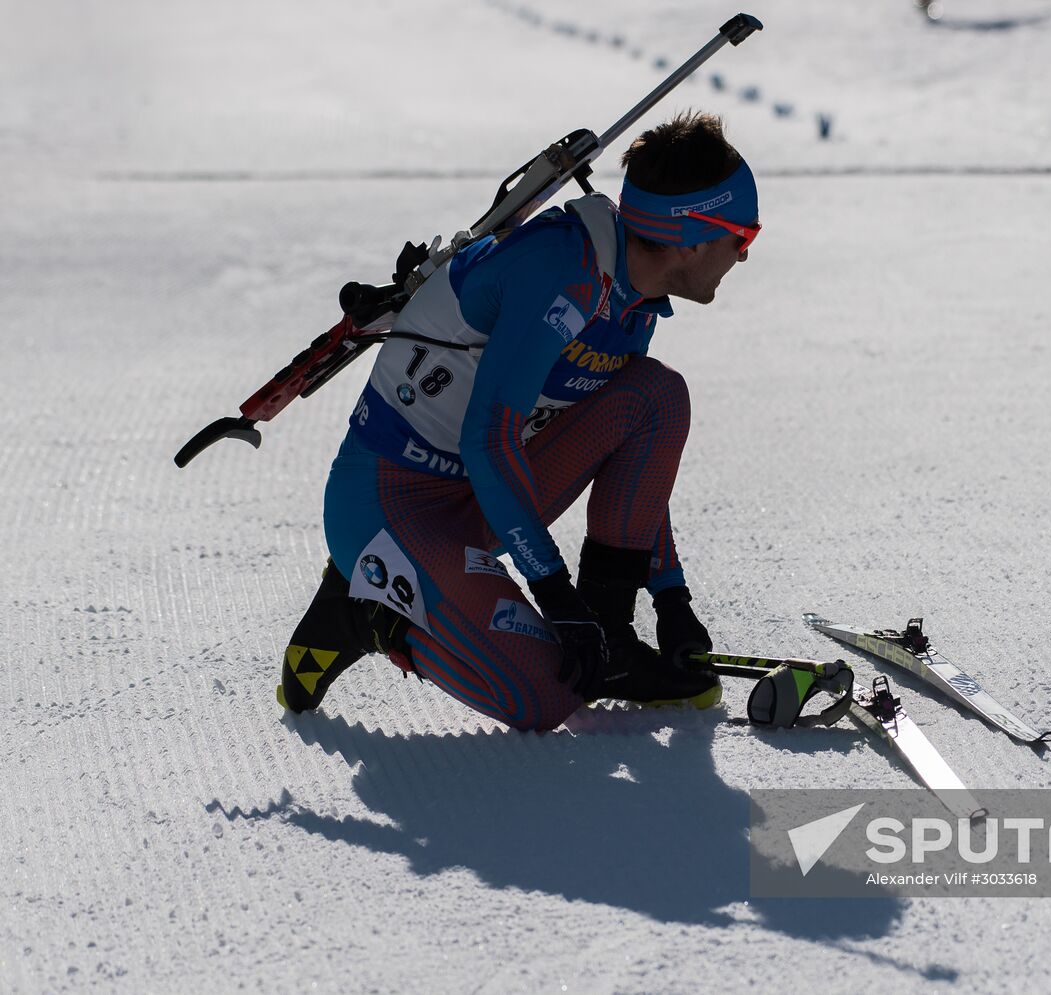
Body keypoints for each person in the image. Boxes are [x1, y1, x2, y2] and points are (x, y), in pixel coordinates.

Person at [277, 111, 760, 731]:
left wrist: (670, 598)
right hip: (392, 503)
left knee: (656, 397)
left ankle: (610, 635)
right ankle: (366, 611)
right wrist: (555, 594)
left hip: (485, 497)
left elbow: (634, 461)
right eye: (742, 238)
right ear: (692, 236)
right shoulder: (559, 269)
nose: (742, 258)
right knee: (545, 697)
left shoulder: (632, 297)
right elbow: (487, 438)